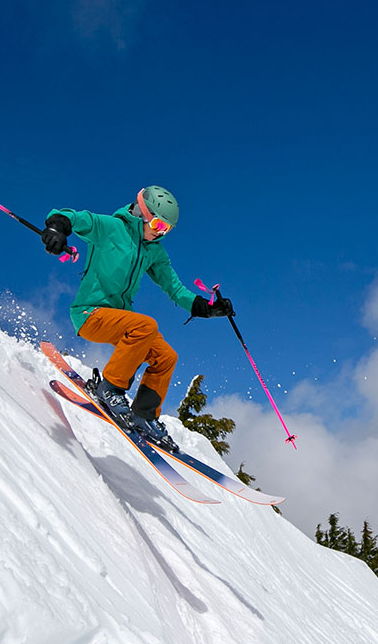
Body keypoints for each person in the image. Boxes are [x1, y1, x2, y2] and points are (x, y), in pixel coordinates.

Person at [40, 186, 233, 451]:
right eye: (157, 223)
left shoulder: (153, 251)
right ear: (141, 212)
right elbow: (69, 216)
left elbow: (174, 288)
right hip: (89, 314)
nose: (159, 232)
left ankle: (144, 414)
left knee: (166, 356)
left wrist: (205, 307)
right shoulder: (109, 227)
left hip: (122, 321)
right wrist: (57, 228)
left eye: (166, 229)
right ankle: (109, 389)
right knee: (146, 326)